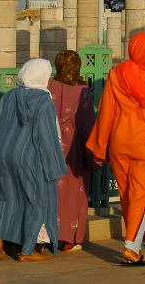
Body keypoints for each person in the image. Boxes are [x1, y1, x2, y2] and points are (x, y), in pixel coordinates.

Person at [86, 32, 145, 265]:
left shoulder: (116, 76)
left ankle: (135, 248)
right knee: (139, 196)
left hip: (120, 145)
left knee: (128, 196)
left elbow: (106, 113)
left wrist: (100, 148)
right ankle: (130, 246)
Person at [0, 58, 67, 262]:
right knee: (37, 201)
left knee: (3, 198)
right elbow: (46, 136)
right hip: (29, 159)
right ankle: (28, 250)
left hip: (1, 156)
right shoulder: (43, 100)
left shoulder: (9, 95)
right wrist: (55, 166)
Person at [48, 50, 96, 252]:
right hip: (73, 149)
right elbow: (86, 124)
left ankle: (49, 233)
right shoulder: (83, 91)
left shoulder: (48, 86)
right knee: (75, 192)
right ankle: (70, 238)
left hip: (50, 145)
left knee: (52, 190)